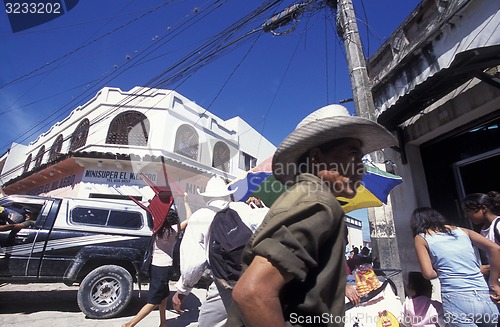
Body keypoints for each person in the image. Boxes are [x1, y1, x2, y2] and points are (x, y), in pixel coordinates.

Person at [227, 104, 398, 326]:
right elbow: (252, 292)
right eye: (353, 154)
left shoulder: (302, 195)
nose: (361, 168)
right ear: (316, 158)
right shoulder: (320, 203)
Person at [172, 176, 268, 327]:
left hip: (225, 284)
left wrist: (183, 290)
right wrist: (260, 205)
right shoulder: (244, 208)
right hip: (256, 277)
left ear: (206, 197)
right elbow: (270, 221)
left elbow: (193, 264)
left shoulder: (199, 217)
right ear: (228, 194)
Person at [411, 207, 500, 327]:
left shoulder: (421, 237)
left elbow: (428, 274)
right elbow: (495, 248)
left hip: (456, 298)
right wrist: (493, 282)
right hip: (485, 296)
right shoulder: (464, 231)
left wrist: (443, 268)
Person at [122, 207, 188, 327]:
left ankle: (163, 323)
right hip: (164, 268)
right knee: (154, 301)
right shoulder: (173, 230)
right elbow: (189, 219)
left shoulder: (157, 229)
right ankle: (130, 324)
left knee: (163, 295)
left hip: (155, 267)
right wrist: (186, 202)